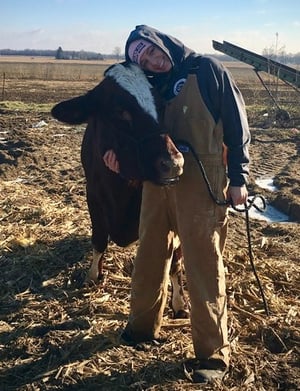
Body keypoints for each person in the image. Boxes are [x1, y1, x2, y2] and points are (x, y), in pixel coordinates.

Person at [103, 25, 250, 383]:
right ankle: (141, 329)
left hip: (202, 182)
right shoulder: (148, 88)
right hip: (157, 184)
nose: (151, 61)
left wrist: (239, 177)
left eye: (151, 51)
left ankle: (212, 355)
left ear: (162, 43)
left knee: (203, 265)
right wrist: (120, 161)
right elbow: (136, 136)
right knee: (149, 256)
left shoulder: (208, 70)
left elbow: (236, 123)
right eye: (142, 60)